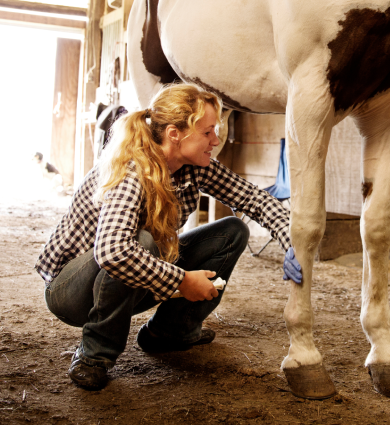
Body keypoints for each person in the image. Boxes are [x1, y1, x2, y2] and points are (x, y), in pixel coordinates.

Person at [35, 83, 303, 390]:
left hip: (127, 278)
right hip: (71, 291)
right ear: (175, 134)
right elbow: (113, 252)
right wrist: (183, 281)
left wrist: (292, 240)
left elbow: (254, 199)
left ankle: (171, 332)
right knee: (140, 243)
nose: (215, 140)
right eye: (207, 132)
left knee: (232, 232)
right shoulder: (131, 169)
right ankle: (94, 355)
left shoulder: (194, 166)